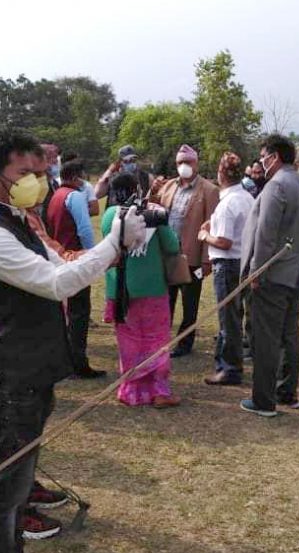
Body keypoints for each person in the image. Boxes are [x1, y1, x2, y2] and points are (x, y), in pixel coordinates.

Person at [0, 126, 146, 553]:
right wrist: (113, 246)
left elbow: (67, 261)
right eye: (24, 172)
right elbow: (57, 282)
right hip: (9, 378)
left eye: (39, 171)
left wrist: (118, 240)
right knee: (5, 491)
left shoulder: (19, 220)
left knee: (22, 484)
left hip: (34, 372)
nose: (37, 181)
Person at [238, 134, 299, 417]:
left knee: (267, 337)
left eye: (263, 157)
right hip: (298, 271)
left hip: (274, 273)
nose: (262, 162)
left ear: (275, 157)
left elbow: (265, 233)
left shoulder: (276, 185)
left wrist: (256, 271)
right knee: (289, 334)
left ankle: (263, 400)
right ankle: (287, 391)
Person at [102, 172, 180, 406]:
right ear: (137, 189)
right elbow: (172, 246)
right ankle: (159, 391)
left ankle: (132, 390)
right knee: (156, 339)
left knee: (129, 340)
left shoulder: (108, 216)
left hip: (121, 289)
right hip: (153, 287)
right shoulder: (152, 214)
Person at [151, 144, 220, 357]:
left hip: (192, 256)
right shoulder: (169, 185)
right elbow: (152, 209)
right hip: (166, 254)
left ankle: (185, 343)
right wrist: (152, 191)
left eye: (188, 162)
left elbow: (212, 224)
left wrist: (207, 259)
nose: (184, 166)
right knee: (165, 300)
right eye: (180, 162)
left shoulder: (209, 190)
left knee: (190, 303)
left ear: (196, 163)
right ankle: (162, 339)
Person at [46, 159, 105, 378]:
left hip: (60, 256)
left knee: (67, 313)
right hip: (76, 258)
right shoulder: (75, 196)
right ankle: (78, 363)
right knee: (79, 313)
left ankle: (67, 360)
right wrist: (93, 258)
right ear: (75, 176)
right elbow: (85, 230)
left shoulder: (55, 196)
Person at [199, 152, 253, 386]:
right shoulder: (247, 198)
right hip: (243, 261)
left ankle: (230, 368)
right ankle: (231, 362)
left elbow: (224, 241)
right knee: (236, 314)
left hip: (227, 263)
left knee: (228, 317)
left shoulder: (227, 204)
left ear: (220, 174)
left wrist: (205, 235)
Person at [96, 145, 152, 209]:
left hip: (136, 215)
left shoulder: (145, 177)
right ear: (119, 162)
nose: (130, 163)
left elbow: (152, 199)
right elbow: (97, 194)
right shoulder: (112, 177)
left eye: (133, 160)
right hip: (115, 215)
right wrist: (109, 171)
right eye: (126, 161)